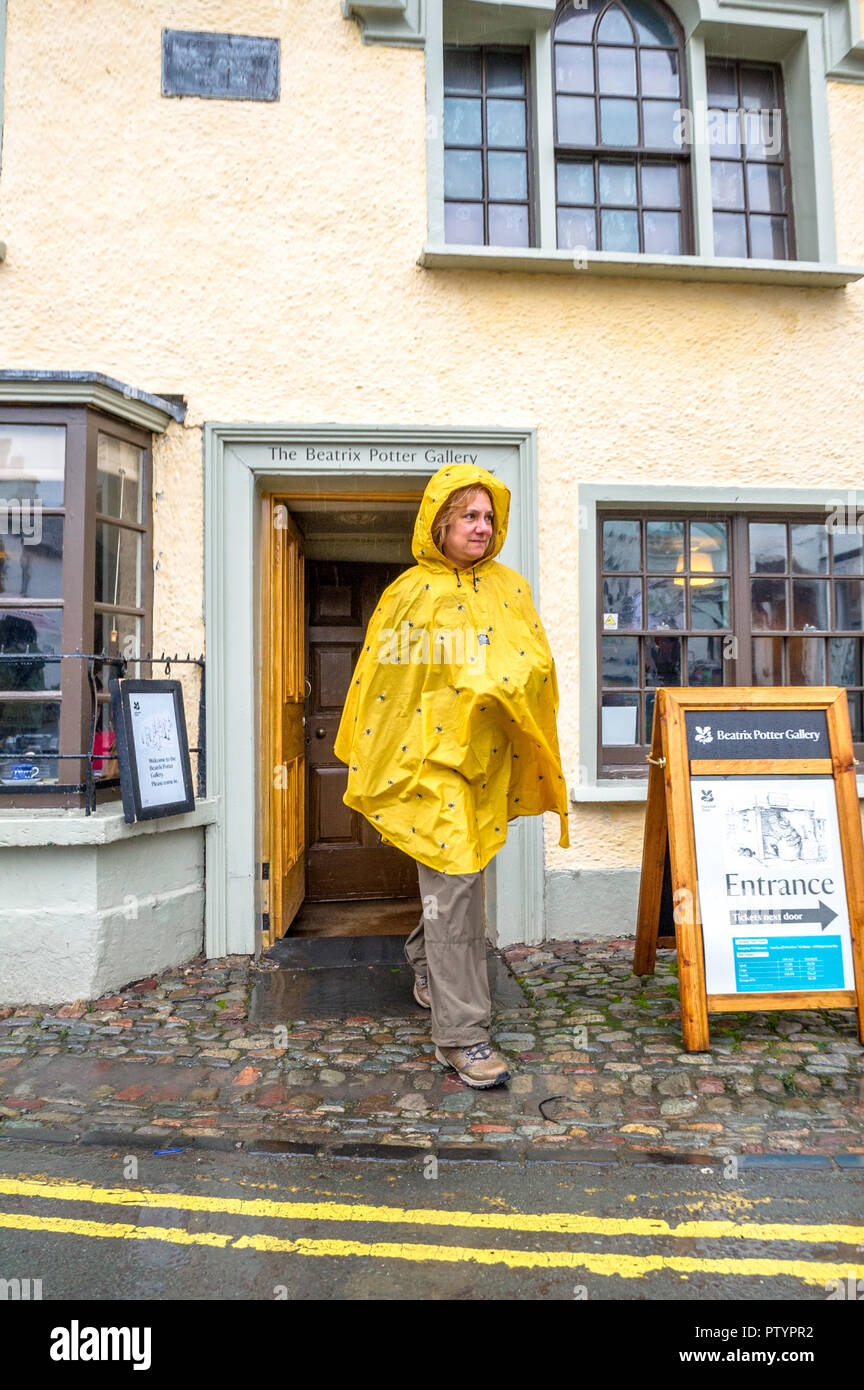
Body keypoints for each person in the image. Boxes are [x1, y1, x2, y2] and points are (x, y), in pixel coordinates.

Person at [334, 464, 569, 1088]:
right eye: (469, 515)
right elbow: (386, 683)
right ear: (439, 522)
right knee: (458, 887)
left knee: (457, 886)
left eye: (489, 517)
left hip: (483, 764)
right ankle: (462, 1036)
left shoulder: (509, 589)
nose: (482, 527)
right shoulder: (409, 593)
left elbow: (536, 664)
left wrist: (504, 683)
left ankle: (422, 958)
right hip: (426, 766)